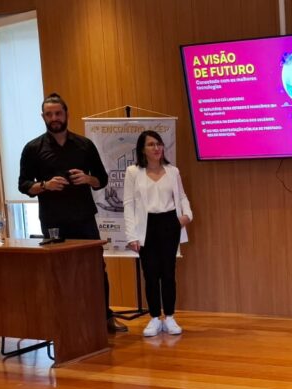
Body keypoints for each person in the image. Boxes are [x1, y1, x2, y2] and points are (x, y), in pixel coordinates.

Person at [18, 93, 125, 334]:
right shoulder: (33, 148)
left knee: (95, 268)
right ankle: (64, 321)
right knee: (58, 271)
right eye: (49, 114)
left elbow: (102, 180)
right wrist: (45, 185)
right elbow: (23, 185)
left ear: (66, 114)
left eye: (58, 113)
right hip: (53, 221)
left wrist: (87, 178)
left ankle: (105, 317)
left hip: (84, 218)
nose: (54, 118)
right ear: (43, 117)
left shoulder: (84, 145)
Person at [123, 130, 193, 337]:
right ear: (142, 149)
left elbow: (182, 197)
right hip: (146, 226)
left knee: (168, 273)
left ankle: (169, 317)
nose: (156, 148)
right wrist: (131, 236)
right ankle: (154, 317)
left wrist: (187, 215)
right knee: (151, 274)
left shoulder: (172, 171)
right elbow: (128, 204)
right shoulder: (133, 172)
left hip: (169, 223)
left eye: (159, 144)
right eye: (151, 144)